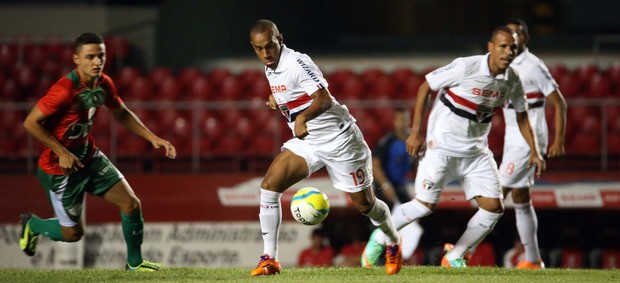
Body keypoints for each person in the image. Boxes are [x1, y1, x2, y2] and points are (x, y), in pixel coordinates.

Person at [362, 26, 545, 268]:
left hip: (476, 153)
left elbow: (522, 116)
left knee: (493, 208)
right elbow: (425, 86)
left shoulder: (512, 79)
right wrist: (416, 132)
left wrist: (535, 151)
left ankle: (455, 255)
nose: (508, 51)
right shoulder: (465, 67)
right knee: (423, 207)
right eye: (502, 46)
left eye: (512, 47)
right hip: (441, 149)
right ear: (490, 47)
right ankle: (380, 237)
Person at [248, 19, 402, 276]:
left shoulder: (297, 63)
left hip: (342, 142)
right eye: (259, 49)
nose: (266, 53)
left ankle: (393, 240)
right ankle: (269, 259)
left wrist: (302, 117)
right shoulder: (270, 67)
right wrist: (279, 99)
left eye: (270, 46)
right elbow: (295, 94)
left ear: (280, 40)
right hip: (310, 143)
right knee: (269, 186)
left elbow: (324, 99)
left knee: (365, 206)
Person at [19, 32, 176, 271]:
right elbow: (30, 123)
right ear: (76, 59)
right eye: (90, 56)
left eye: (100, 55)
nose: (96, 61)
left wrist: (152, 137)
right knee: (72, 234)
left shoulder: (104, 83)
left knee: (131, 204)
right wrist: (61, 152)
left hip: (88, 157)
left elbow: (121, 112)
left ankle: (135, 265)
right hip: (60, 169)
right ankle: (33, 225)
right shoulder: (64, 90)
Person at [499, 19, 567, 270]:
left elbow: (559, 102)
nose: (512, 39)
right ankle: (533, 258)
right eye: (509, 34)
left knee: (496, 193)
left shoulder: (533, 65)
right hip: (512, 135)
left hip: (528, 139)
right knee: (521, 198)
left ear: (525, 38)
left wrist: (558, 139)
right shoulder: (504, 62)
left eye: (517, 34)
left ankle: (462, 251)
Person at [362, 106, 423, 266]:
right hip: (384, 189)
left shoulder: (413, 139)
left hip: (401, 188)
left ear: (409, 120)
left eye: (405, 119)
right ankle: (378, 259)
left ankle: (398, 256)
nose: (402, 123)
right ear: (394, 121)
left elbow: (417, 163)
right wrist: (386, 185)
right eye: (399, 119)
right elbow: (375, 164)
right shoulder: (388, 141)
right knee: (384, 223)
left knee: (408, 220)